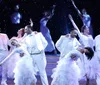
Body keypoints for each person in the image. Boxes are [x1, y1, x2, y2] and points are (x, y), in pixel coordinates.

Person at [69, 14, 95, 85]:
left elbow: (93, 45)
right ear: (84, 29)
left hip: (92, 53)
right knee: (85, 67)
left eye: (88, 28)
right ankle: (87, 81)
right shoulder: (81, 35)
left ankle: (88, 80)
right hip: (86, 53)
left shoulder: (90, 36)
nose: (88, 29)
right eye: (87, 28)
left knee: (91, 68)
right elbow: (76, 28)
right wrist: (71, 20)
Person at [22, 20, 49, 85]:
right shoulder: (26, 38)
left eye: (26, 29)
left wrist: (41, 49)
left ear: (29, 29)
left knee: (42, 72)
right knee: (31, 72)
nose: (24, 31)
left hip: (39, 55)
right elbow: (23, 45)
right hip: (30, 56)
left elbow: (45, 43)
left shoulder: (38, 34)